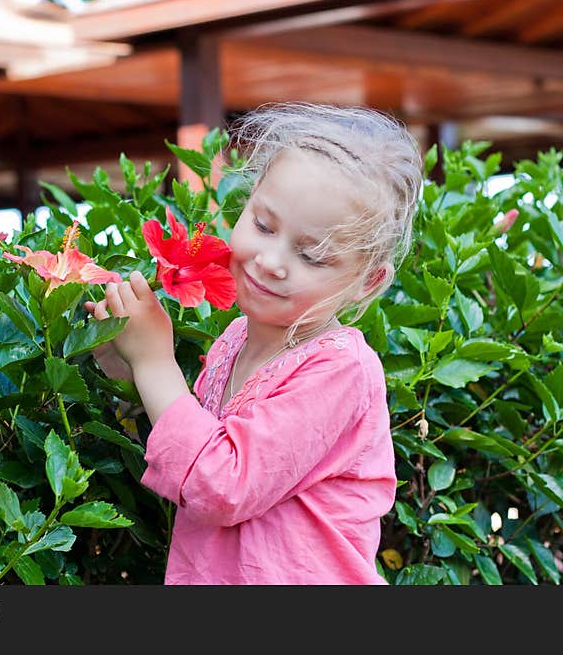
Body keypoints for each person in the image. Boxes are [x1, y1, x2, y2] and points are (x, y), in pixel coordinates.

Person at [84, 102, 423, 584]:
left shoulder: (342, 369)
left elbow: (219, 484)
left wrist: (157, 363)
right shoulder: (235, 340)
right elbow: (185, 457)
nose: (270, 260)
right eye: (263, 225)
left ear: (368, 282)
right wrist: (127, 365)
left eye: (311, 255)